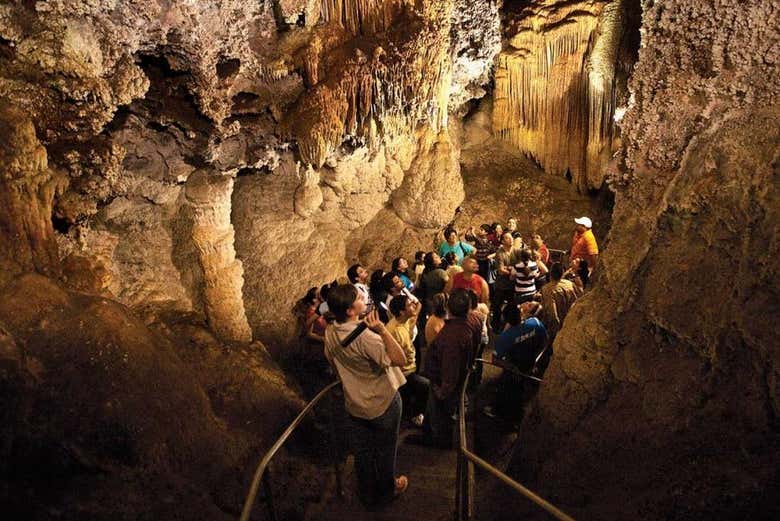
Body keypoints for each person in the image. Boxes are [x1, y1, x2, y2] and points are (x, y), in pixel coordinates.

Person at [324, 284, 409, 506]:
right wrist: (382, 330)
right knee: (385, 449)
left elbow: (332, 361)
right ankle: (387, 491)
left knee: (362, 451)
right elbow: (400, 359)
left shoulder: (330, 331)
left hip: (354, 403)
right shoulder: (366, 338)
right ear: (350, 310)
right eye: (359, 298)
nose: (364, 298)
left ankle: (366, 492)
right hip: (382, 402)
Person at [410, 289, 479, 448]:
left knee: (441, 414)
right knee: (435, 411)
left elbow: (450, 367)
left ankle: (439, 441)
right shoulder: (474, 319)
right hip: (454, 376)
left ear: (448, 308)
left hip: (443, 383)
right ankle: (430, 432)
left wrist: (442, 391)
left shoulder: (451, 337)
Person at [486, 302, 548, 420]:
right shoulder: (535, 323)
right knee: (520, 389)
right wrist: (536, 359)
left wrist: (511, 368)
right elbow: (545, 340)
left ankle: (500, 413)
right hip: (529, 362)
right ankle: (516, 413)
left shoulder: (505, 338)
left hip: (514, 368)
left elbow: (495, 360)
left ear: (505, 319)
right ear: (520, 314)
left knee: (508, 390)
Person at [387, 295, 429, 427]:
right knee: (426, 387)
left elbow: (414, 315)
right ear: (402, 312)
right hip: (403, 372)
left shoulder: (403, 320)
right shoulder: (397, 331)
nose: (413, 305)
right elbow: (402, 357)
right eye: (409, 305)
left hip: (408, 368)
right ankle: (415, 416)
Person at [538, 262, 579, 340]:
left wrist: (555, 333)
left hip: (559, 329)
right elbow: (579, 299)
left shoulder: (547, 290)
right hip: (571, 322)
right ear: (562, 274)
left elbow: (552, 314)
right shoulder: (570, 284)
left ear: (550, 274)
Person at [492, 231, 520, 331]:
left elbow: (521, 264)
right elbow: (501, 270)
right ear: (503, 241)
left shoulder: (516, 251)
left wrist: (510, 269)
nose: (511, 239)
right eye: (507, 238)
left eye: (511, 237)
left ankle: (510, 325)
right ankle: (496, 327)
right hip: (502, 285)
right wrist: (512, 271)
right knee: (497, 307)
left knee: (513, 306)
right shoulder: (500, 253)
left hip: (513, 285)